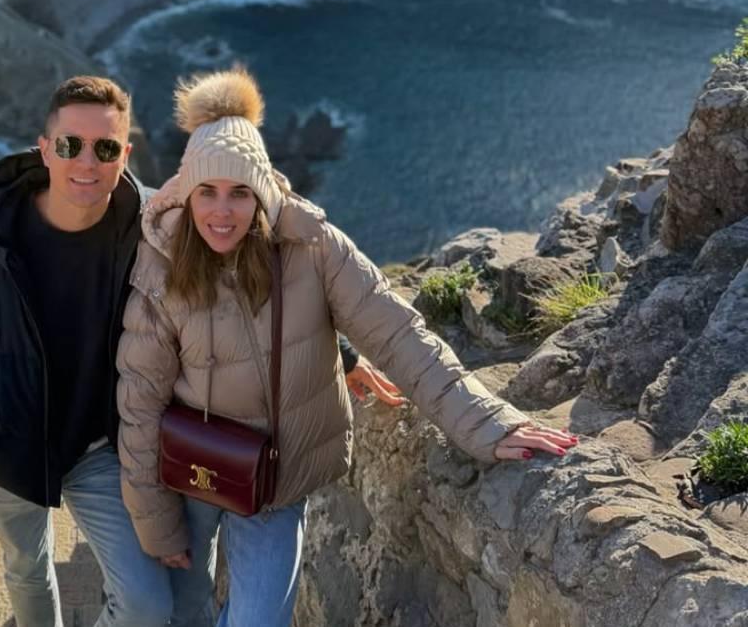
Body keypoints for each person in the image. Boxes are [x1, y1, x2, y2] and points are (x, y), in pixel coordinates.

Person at [0, 74, 401, 626]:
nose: (86, 163)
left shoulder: (149, 223)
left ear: (126, 153)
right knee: (27, 565)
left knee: (146, 604)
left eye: (105, 147)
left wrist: (342, 354)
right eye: (70, 145)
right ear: (44, 149)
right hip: (8, 441)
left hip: (99, 449)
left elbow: (238, 286)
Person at [115, 67, 577, 627]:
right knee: (181, 615)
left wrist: (486, 422)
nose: (221, 211)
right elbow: (139, 398)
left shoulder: (313, 247)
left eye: (240, 193)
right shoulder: (162, 259)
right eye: (206, 192)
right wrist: (155, 524)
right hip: (188, 472)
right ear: (186, 194)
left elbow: (399, 332)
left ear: (263, 194)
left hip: (275, 479)